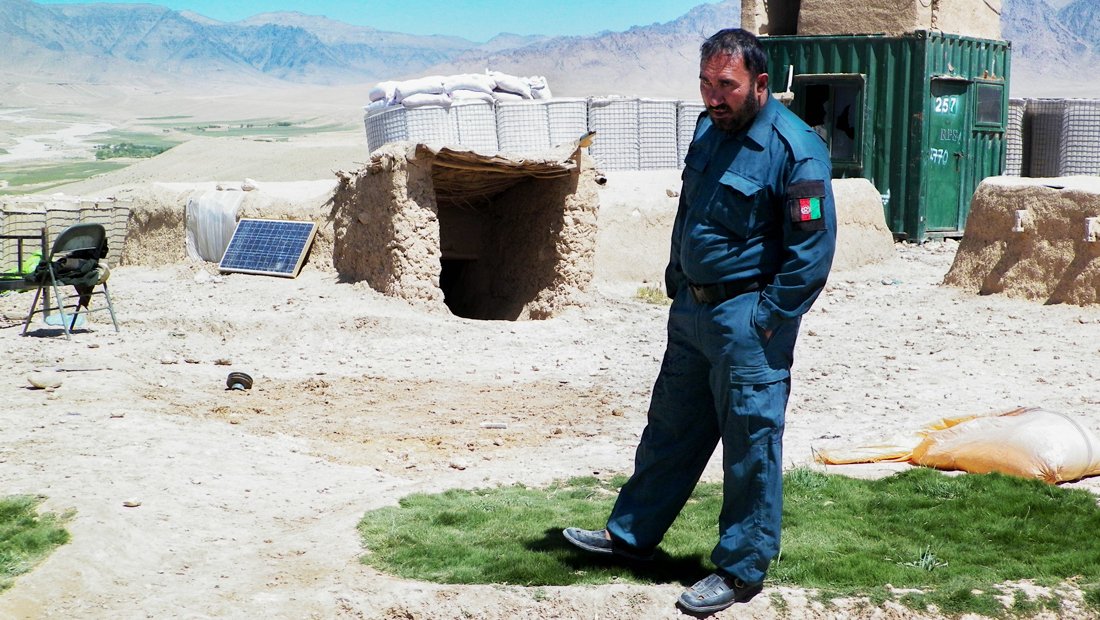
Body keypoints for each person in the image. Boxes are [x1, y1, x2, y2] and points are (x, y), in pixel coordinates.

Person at [563, 28, 836, 615]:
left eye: (727, 86)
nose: (714, 97)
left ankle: (741, 570)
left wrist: (768, 320)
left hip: (747, 317)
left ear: (760, 85)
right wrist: (675, 274)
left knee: (750, 444)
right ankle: (630, 537)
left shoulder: (796, 149)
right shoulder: (708, 131)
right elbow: (690, 205)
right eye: (707, 84)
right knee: (670, 427)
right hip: (692, 309)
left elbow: (810, 253)